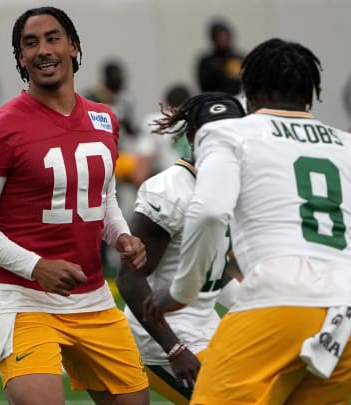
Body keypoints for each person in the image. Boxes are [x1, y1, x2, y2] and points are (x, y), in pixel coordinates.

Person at [0, 6, 150, 404]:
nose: (43, 49)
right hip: (24, 298)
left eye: (52, 38)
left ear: (73, 47)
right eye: (30, 43)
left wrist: (122, 236)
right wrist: (36, 266)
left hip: (93, 297)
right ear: (20, 58)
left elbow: (103, 195)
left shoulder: (103, 118)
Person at [144, 38, 351, 404]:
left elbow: (208, 212)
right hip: (345, 317)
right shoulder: (345, 144)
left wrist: (181, 293)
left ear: (249, 92)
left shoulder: (229, 132)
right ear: (310, 92)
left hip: (281, 302)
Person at [116, 92, 245, 404]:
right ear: (191, 136)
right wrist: (173, 349)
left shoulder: (228, 182)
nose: (224, 142)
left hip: (205, 325)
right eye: (213, 134)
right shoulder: (170, 190)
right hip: (163, 335)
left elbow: (213, 272)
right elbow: (129, 279)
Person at [133, 84, 193, 186]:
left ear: (167, 104)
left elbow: (141, 173)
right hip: (197, 189)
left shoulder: (155, 122)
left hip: (169, 190)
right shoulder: (199, 121)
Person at [195, 19, 244, 95]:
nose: (223, 40)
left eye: (226, 37)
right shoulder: (207, 62)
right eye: (220, 38)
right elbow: (204, 86)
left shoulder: (239, 59)